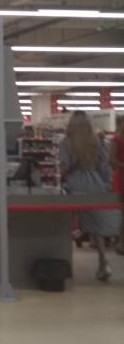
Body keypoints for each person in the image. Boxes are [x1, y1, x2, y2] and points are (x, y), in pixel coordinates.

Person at [59, 111, 119, 281]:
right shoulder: (97, 141)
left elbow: (64, 165)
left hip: (74, 183)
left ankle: (65, 257)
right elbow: (104, 167)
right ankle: (103, 261)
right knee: (96, 226)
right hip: (95, 183)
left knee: (66, 219)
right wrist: (105, 185)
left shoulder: (67, 142)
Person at [109, 115, 124, 255]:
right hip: (121, 178)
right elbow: (111, 159)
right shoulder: (116, 139)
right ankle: (120, 242)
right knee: (121, 212)